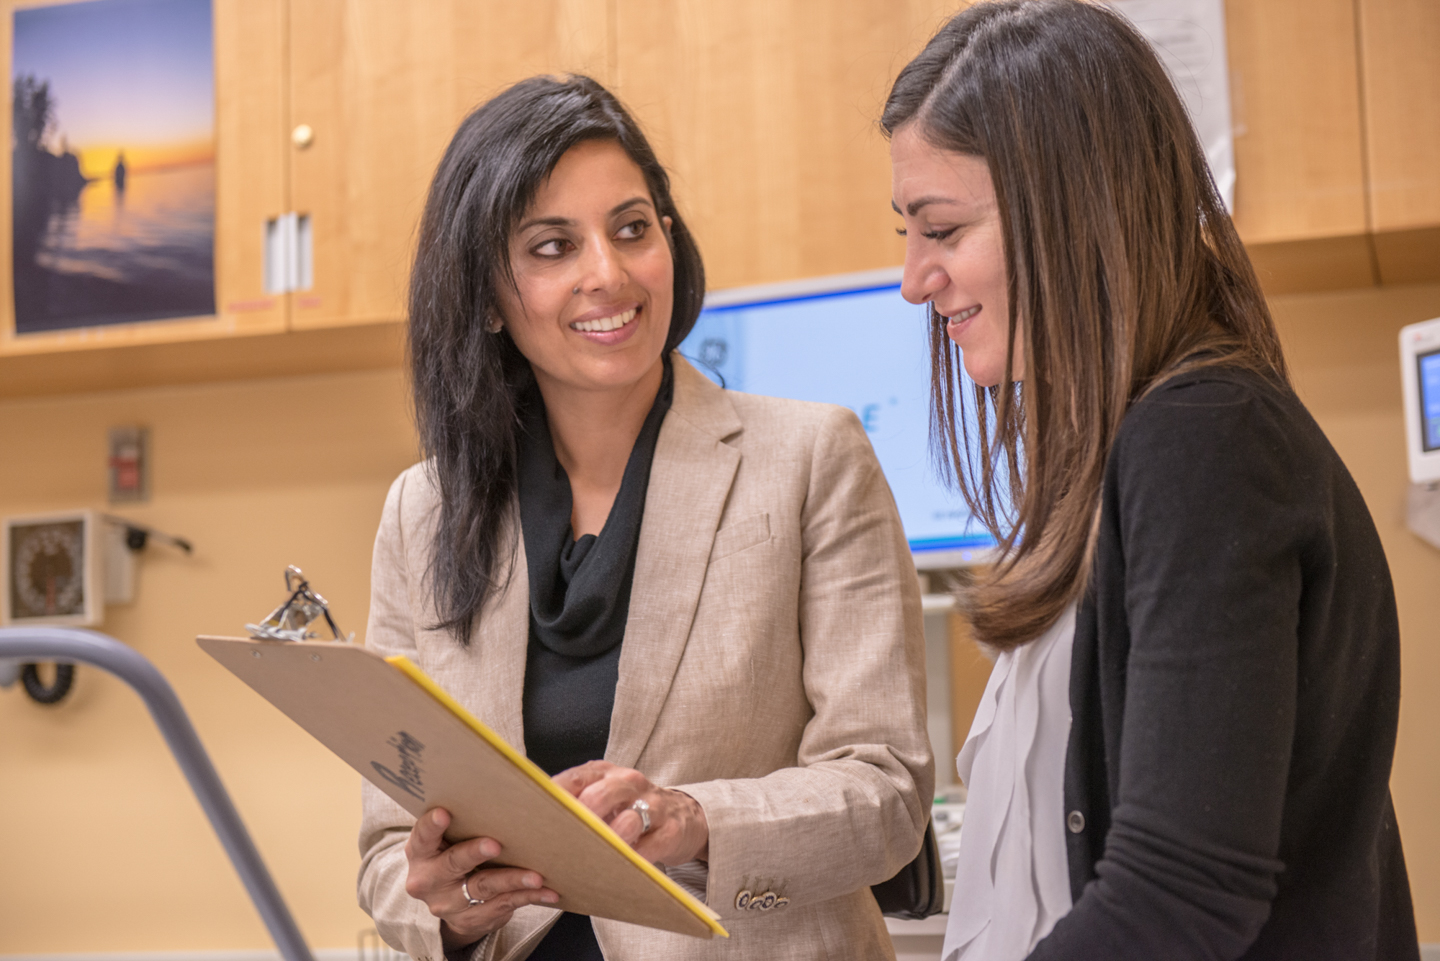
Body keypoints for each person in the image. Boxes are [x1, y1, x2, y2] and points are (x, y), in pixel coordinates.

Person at [882, 2, 1419, 959]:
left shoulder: (1204, 442)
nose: (915, 278)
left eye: (943, 229)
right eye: (909, 234)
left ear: (1069, 213)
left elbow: (1180, 897)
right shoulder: (1134, 452)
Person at [358, 74, 933, 961]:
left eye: (632, 228)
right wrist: (446, 907)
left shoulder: (812, 458)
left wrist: (696, 819)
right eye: (552, 246)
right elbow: (386, 852)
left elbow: (887, 794)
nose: (608, 273)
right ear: (485, 297)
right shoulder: (422, 511)